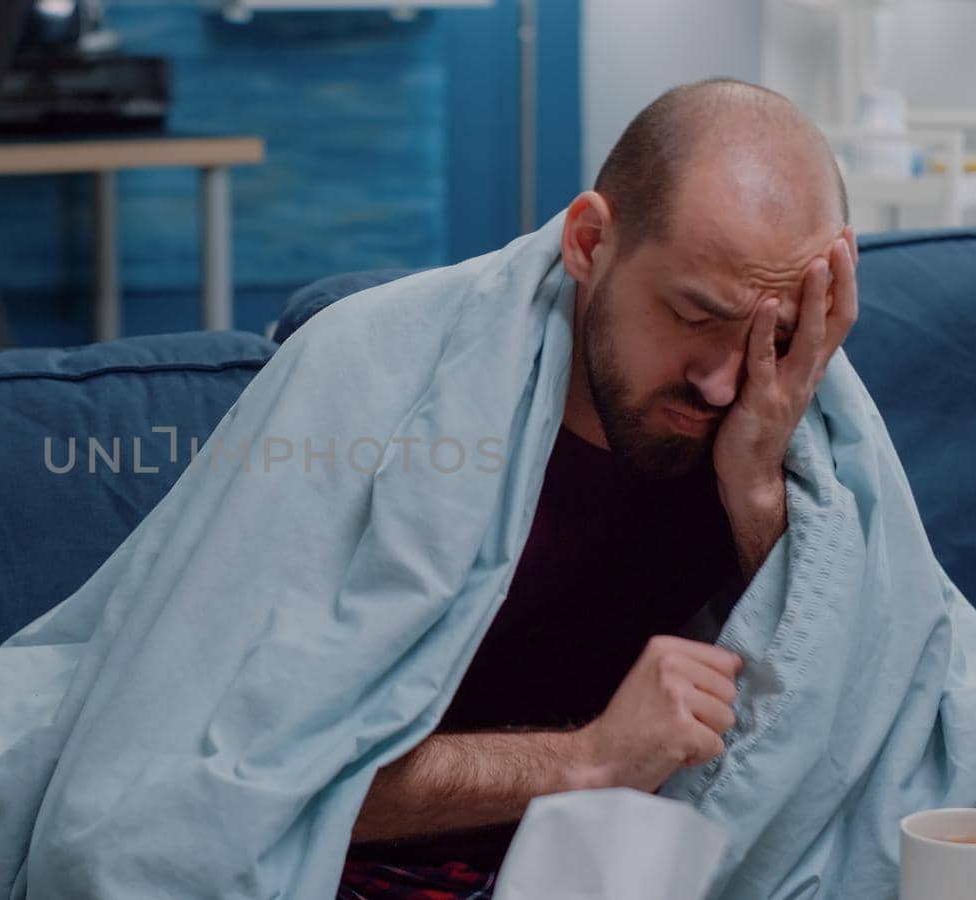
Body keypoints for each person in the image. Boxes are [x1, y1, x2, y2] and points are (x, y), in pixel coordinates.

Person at [336, 77, 860, 899]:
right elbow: (266, 773)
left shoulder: (779, 406)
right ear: (588, 243)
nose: (724, 383)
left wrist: (756, 483)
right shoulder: (384, 388)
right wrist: (591, 759)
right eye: (695, 316)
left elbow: (870, 722)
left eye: (775, 335)